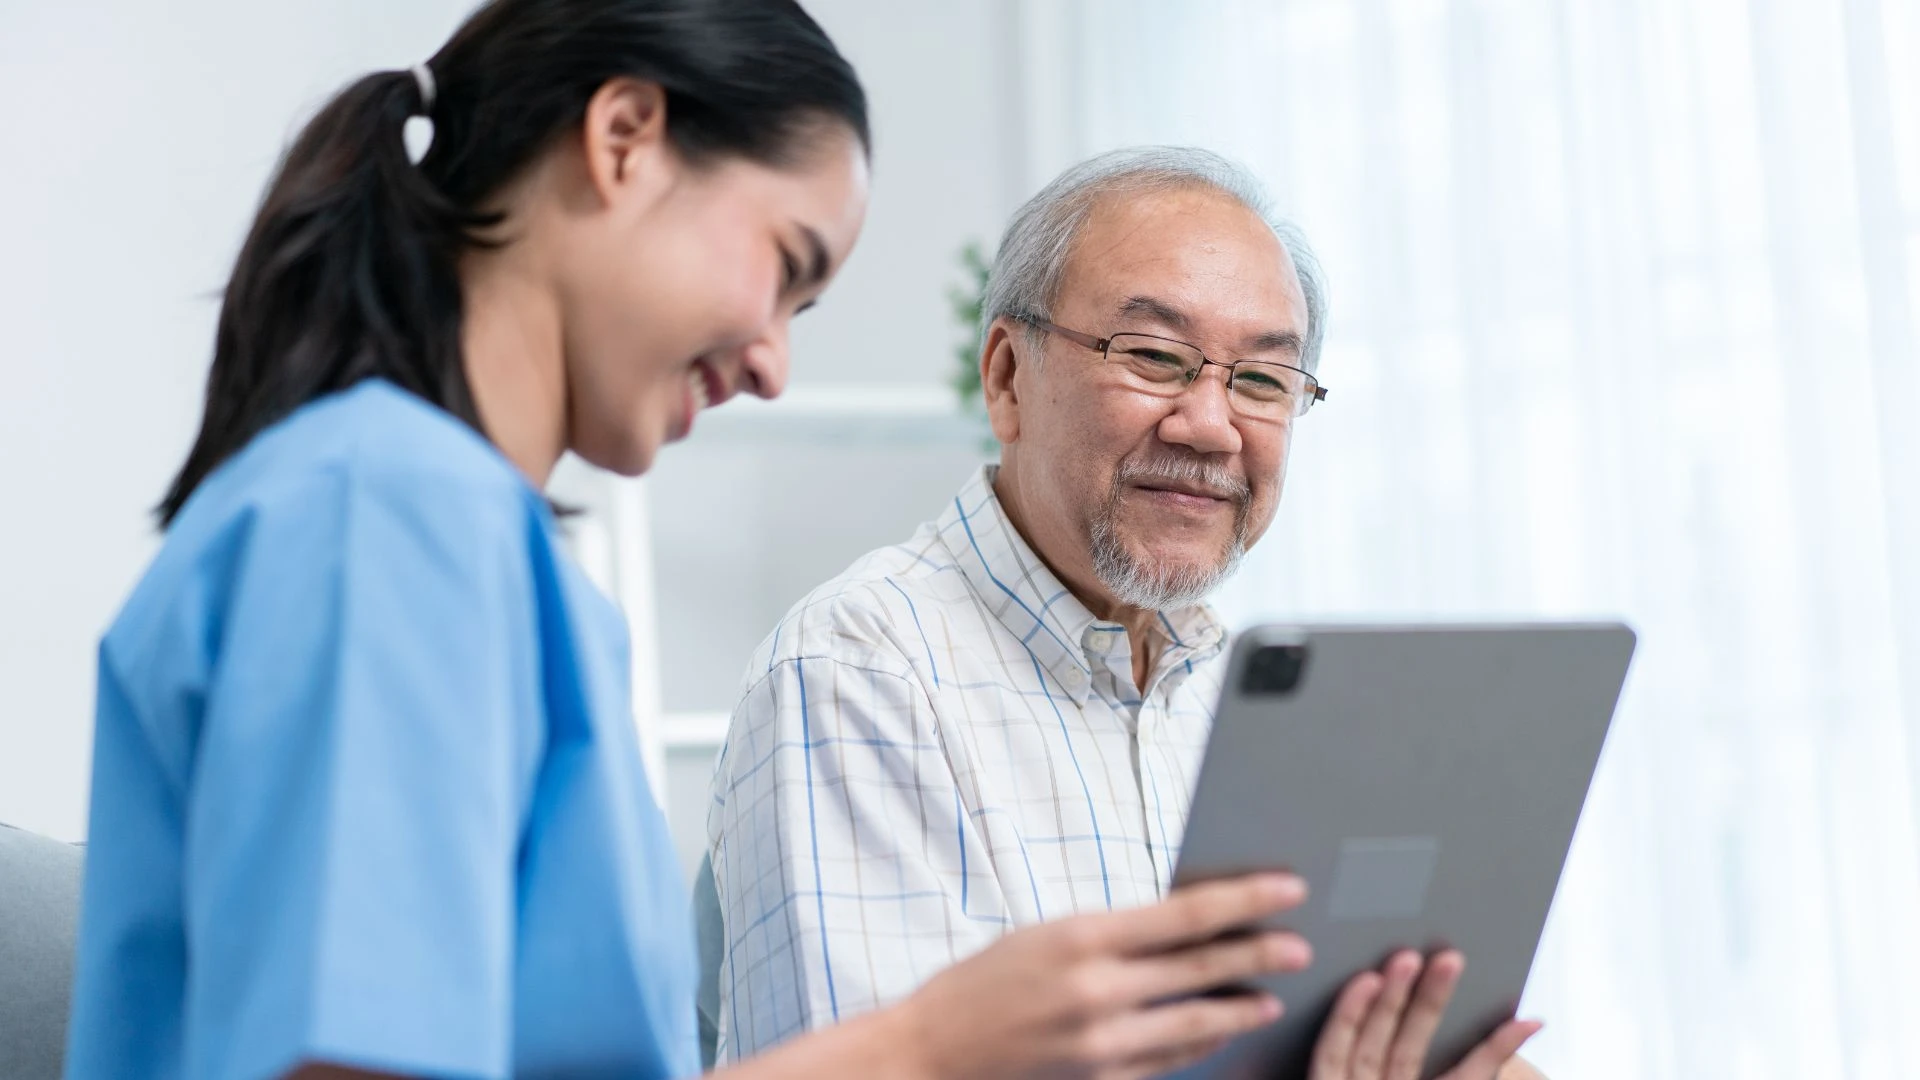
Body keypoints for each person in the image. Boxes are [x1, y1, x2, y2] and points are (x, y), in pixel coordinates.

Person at [62, 5, 1326, 1079]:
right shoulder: (385, 519)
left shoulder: (473, 549)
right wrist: (926, 1046)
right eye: (782, 266)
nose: (774, 363)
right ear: (623, 143)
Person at [706, 147, 1547, 1079]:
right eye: (1153, 357)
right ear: (1007, 377)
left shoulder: (1264, 703)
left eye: (1264, 380)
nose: (1212, 425)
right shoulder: (859, 671)